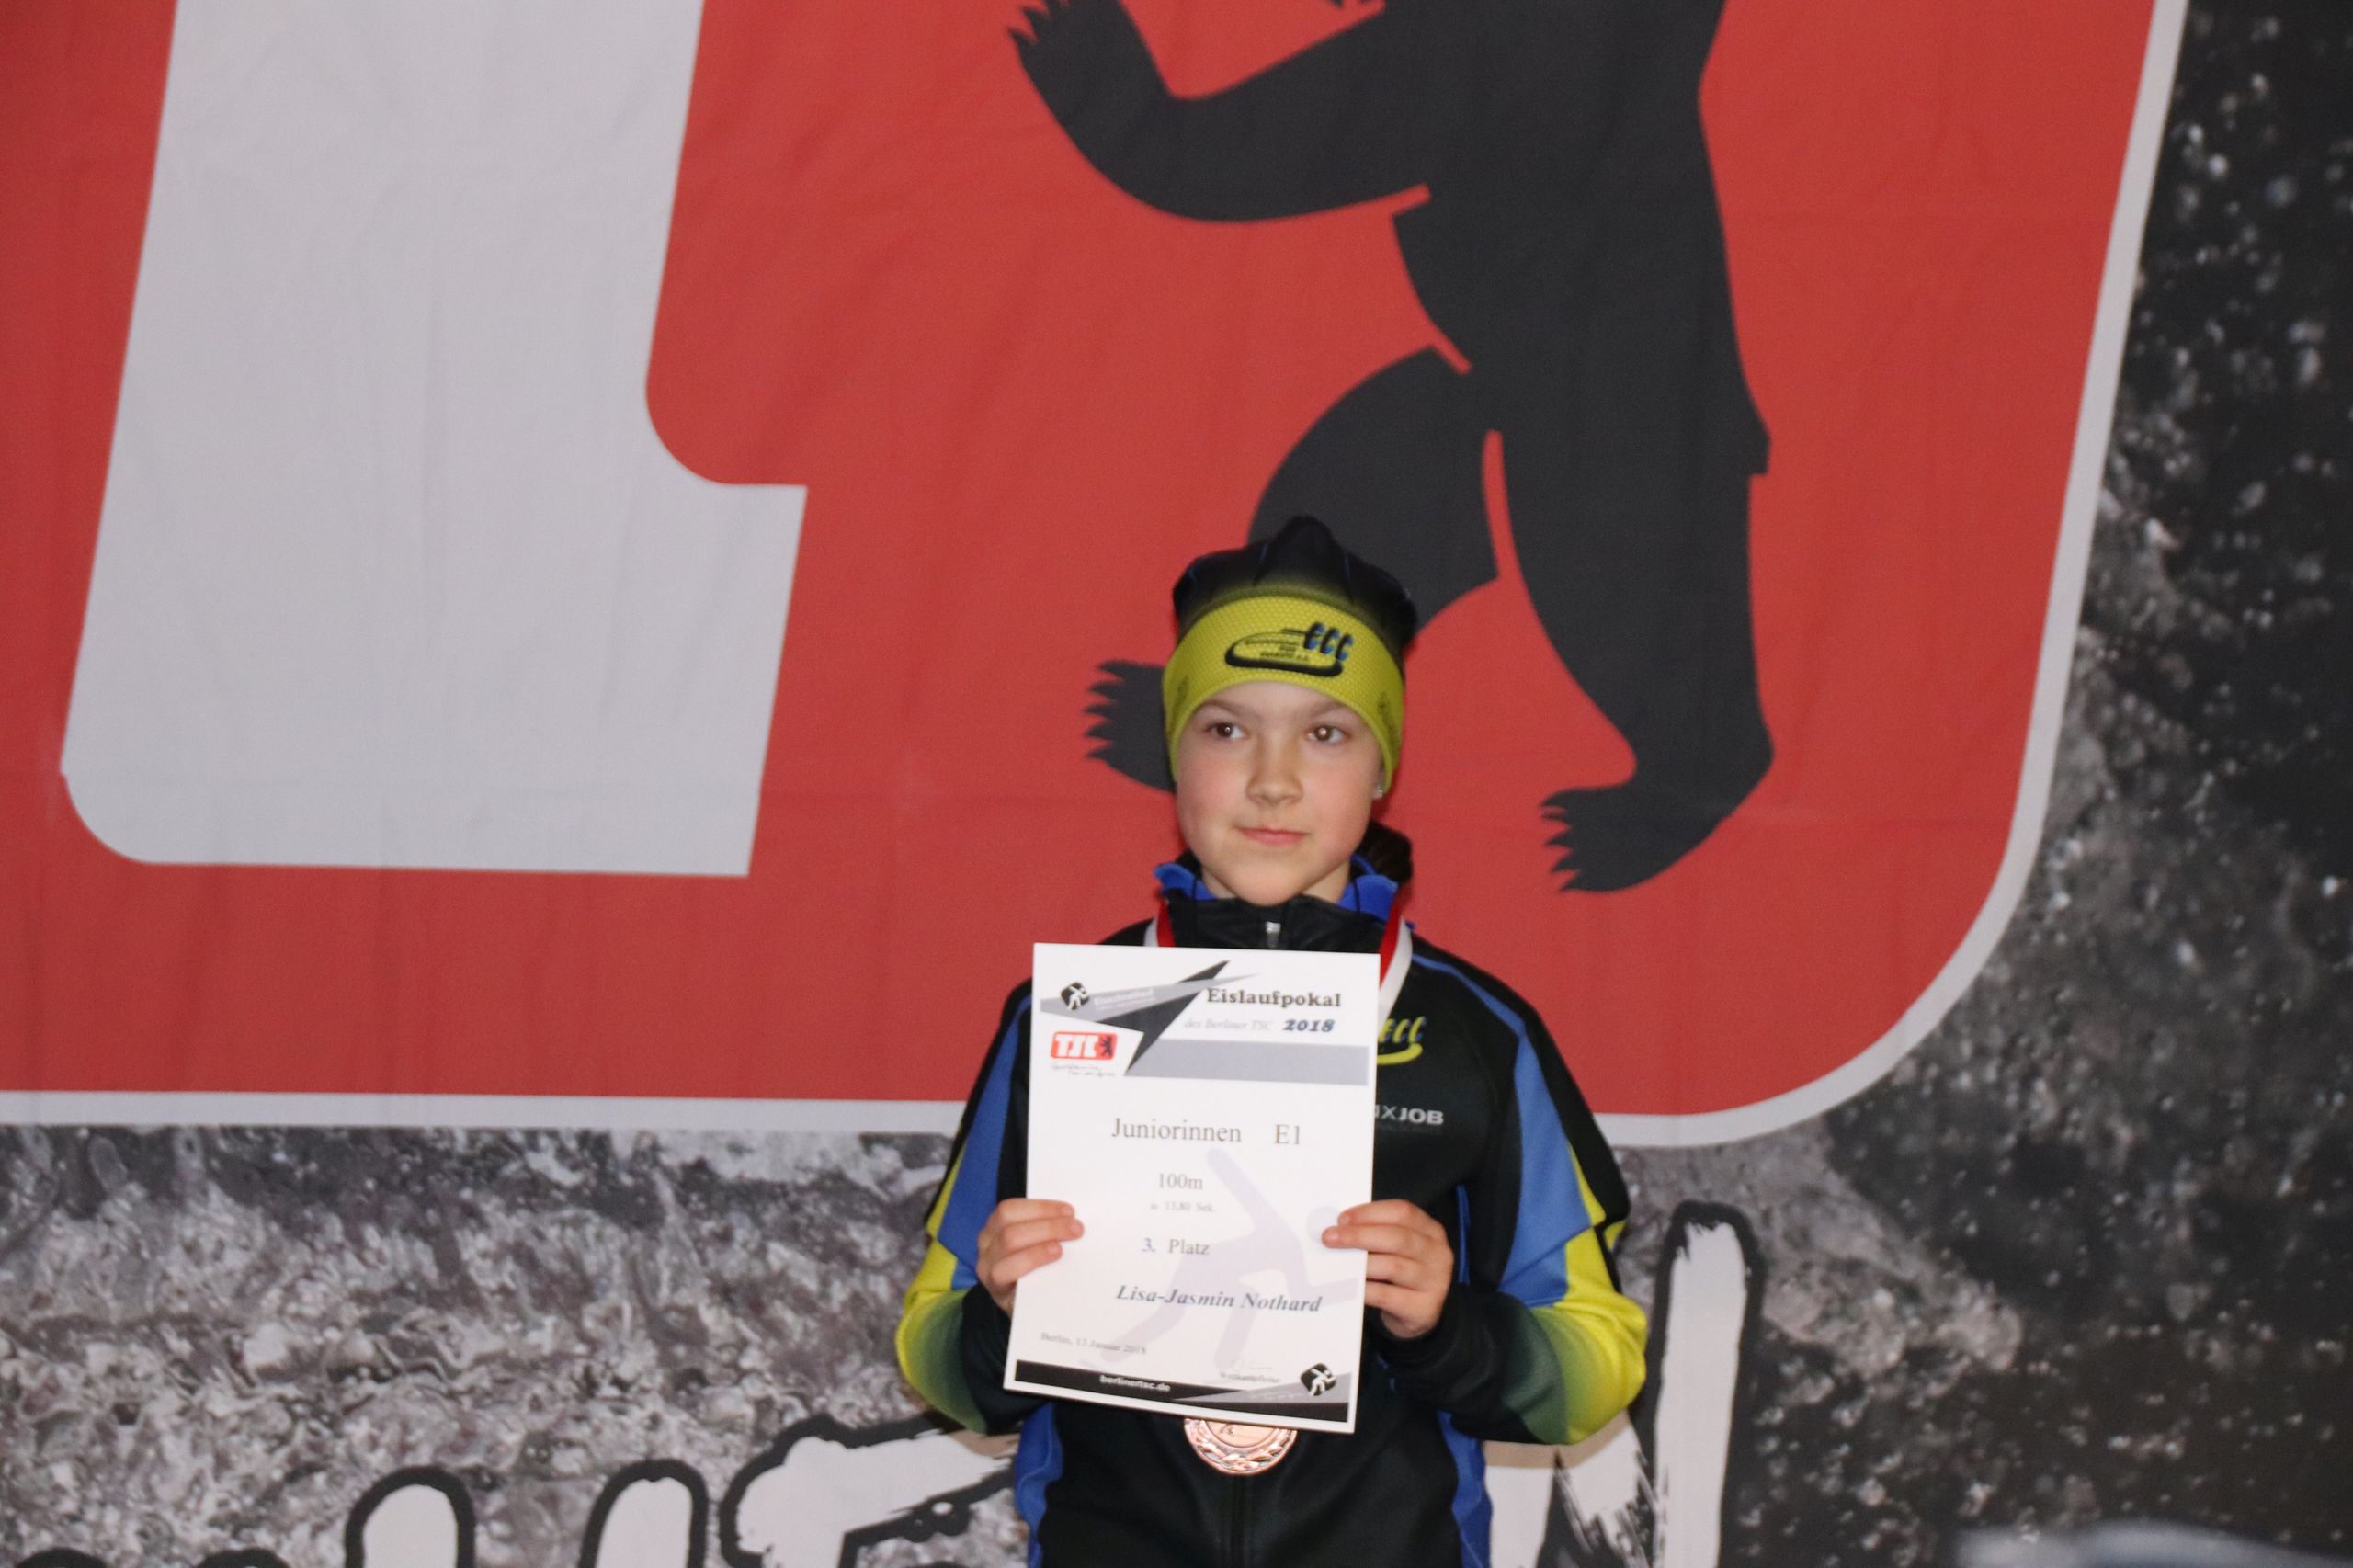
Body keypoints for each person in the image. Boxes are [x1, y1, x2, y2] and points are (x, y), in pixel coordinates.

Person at [895, 517, 1647, 1567]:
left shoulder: (1478, 1032)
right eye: (1226, 728)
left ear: (1383, 766)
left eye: (1326, 733)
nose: (1273, 778)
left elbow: (1597, 1367)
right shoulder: (1066, 1015)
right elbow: (933, 1357)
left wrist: (1447, 1325)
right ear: (1173, 753)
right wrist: (998, 1311)